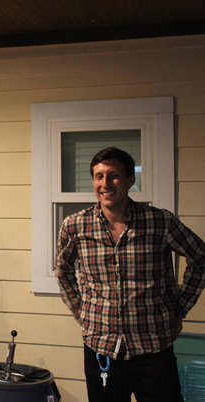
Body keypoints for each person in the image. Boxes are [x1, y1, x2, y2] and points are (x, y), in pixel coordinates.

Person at [55, 146, 205, 401]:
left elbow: (200, 258)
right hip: (101, 351)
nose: (105, 184)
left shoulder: (160, 222)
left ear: (130, 180)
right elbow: (63, 271)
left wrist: (179, 309)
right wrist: (82, 312)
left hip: (153, 348)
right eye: (99, 176)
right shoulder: (75, 225)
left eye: (114, 176)